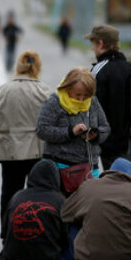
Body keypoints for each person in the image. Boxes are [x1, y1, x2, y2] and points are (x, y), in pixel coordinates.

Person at [0, 50, 52, 224]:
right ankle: (32, 233)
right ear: (37, 67)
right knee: (36, 195)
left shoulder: (3, 91)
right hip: (36, 150)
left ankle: (6, 232)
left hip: (8, 150)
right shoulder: (45, 91)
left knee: (9, 192)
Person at [36, 67, 110, 195]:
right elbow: (42, 130)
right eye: (78, 95)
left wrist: (95, 135)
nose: (82, 100)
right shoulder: (54, 102)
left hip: (90, 167)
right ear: (68, 88)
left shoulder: (93, 102)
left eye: (86, 95)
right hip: (60, 168)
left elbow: (106, 128)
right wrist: (70, 132)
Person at [0, 160, 75, 260]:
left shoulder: (17, 196)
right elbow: (66, 238)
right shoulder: (61, 201)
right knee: (75, 228)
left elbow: (4, 232)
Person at [85, 24, 131, 169]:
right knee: (125, 178)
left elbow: (91, 106)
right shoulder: (130, 67)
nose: (92, 48)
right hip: (129, 139)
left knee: (112, 180)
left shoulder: (99, 71)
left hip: (107, 140)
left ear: (100, 43)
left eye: (93, 44)